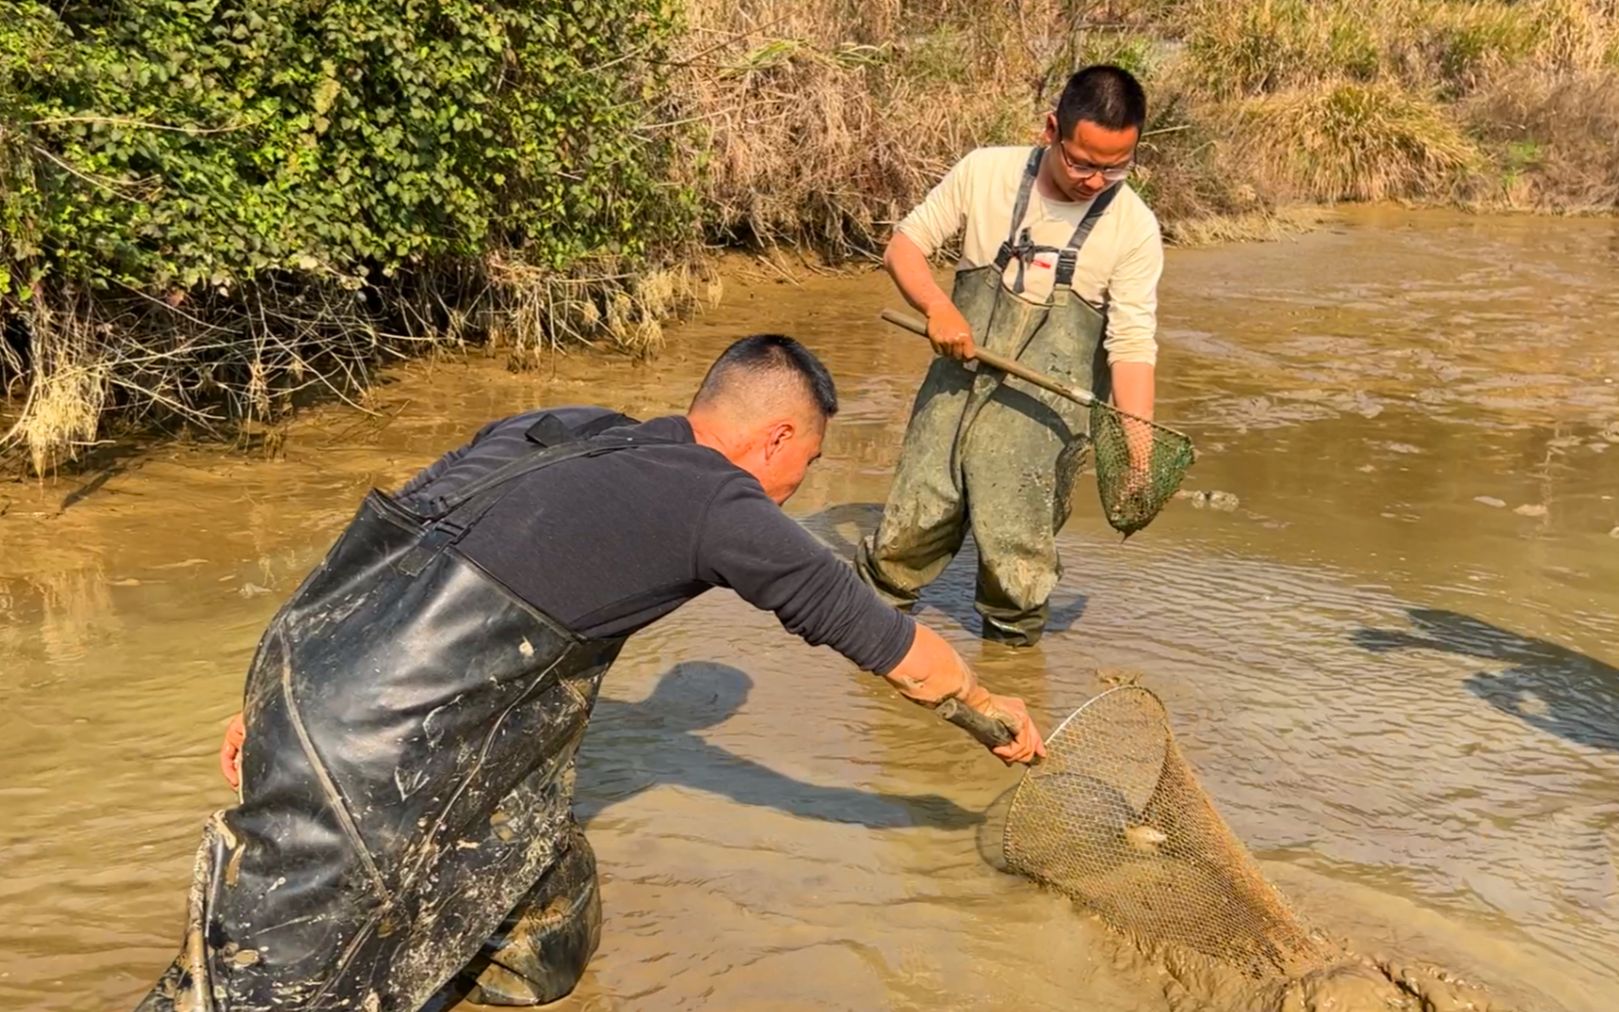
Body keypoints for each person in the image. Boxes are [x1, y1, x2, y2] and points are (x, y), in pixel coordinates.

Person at [137, 334, 1044, 1012]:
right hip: (372, 759)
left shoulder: (555, 429)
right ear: (773, 439)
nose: (792, 491)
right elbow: (881, 640)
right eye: (800, 469)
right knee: (246, 992)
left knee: (549, 915)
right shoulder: (719, 502)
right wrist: (982, 704)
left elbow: (370, 548)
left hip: (313, 677)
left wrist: (268, 700)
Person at [856, 64, 1164, 646]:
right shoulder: (986, 172)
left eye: (1115, 166)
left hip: (1043, 419)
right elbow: (903, 247)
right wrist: (938, 311)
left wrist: (1138, 450)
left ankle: (1011, 675)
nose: (1095, 180)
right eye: (1082, 161)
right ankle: (865, 650)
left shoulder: (1134, 229)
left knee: (1016, 570)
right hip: (955, 383)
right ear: (1052, 129)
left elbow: (1131, 346)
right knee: (907, 533)